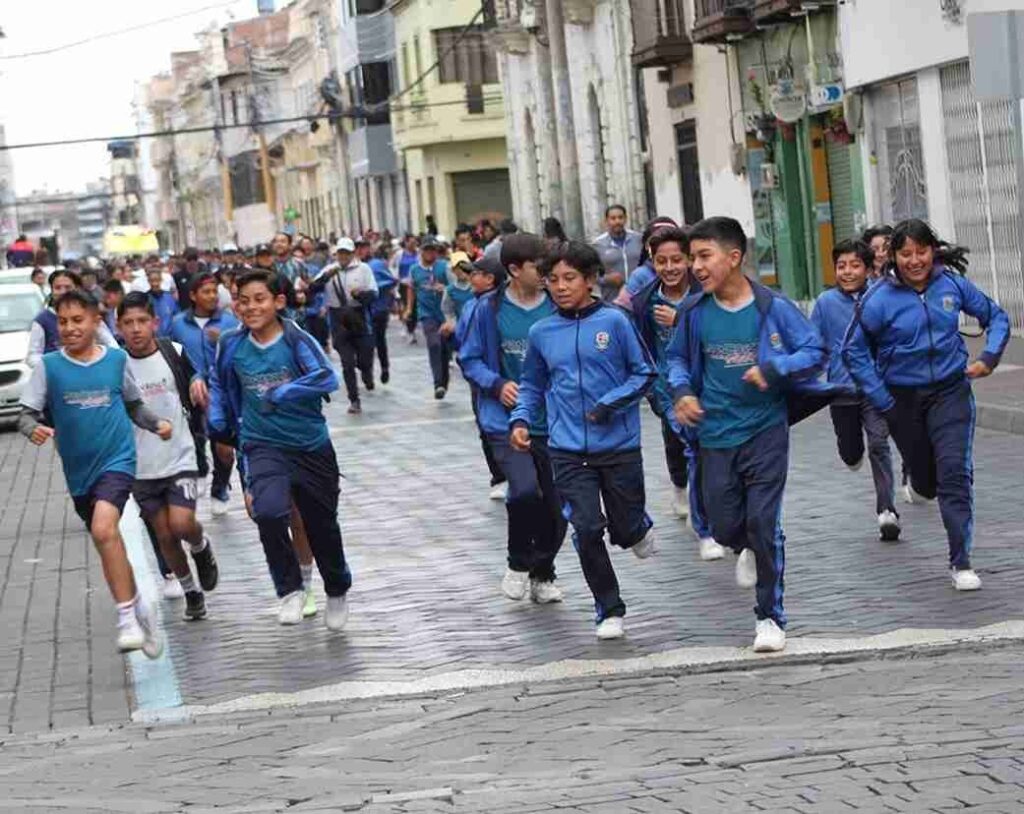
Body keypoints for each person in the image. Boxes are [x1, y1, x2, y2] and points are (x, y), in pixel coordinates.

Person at [668, 216, 838, 654]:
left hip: (765, 430)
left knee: (764, 522)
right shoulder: (692, 312)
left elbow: (815, 350)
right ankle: (742, 544)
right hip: (714, 434)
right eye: (693, 258)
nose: (696, 266)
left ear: (735, 257)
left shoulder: (772, 307)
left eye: (704, 256)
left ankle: (769, 618)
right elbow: (675, 362)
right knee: (722, 527)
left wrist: (773, 367)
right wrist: (683, 392)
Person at [842, 218, 1010, 592]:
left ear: (933, 251)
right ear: (893, 257)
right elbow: (852, 350)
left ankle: (961, 561)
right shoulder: (879, 298)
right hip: (901, 399)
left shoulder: (951, 284)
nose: (915, 260)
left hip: (951, 392)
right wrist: (881, 397)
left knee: (955, 474)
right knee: (929, 482)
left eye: (921, 252)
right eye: (906, 254)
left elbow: (996, 317)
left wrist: (990, 357)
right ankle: (919, 483)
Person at [510, 241, 657, 640]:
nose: (559, 286)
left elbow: (644, 373)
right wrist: (521, 418)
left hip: (620, 447)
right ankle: (609, 608)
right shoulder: (541, 332)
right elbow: (532, 384)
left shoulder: (616, 322)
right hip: (567, 450)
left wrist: (609, 403)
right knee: (587, 528)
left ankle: (638, 526)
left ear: (590, 280)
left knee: (624, 530)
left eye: (569, 278)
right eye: (552, 280)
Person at [18, 290, 171, 657]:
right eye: (63, 321)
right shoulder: (49, 367)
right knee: (107, 543)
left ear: (95, 322)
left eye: (77, 320)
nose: (70, 328)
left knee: (105, 528)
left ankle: (125, 620)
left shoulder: (116, 361)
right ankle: (139, 610)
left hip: (117, 460)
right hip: (79, 471)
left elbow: (134, 405)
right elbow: (26, 414)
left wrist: (157, 423)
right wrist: (31, 429)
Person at [207, 269, 352, 629]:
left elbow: (325, 377)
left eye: (260, 299)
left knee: (322, 526)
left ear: (278, 302)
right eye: (243, 300)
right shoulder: (231, 343)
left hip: (310, 445)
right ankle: (289, 591)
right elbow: (221, 386)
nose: (251, 307)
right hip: (262, 444)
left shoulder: (296, 338)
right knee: (269, 513)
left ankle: (336, 589)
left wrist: (282, 393)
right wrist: (217, 420)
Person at [460, 234, 567, 603]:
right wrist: (497, 383)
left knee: (557, 510)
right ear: (514, 270)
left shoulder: (557, 305)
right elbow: (469, 359)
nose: (547, 275)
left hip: (554, 422)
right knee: (524, 491)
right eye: (540, 268)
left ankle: (543, 573)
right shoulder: (487, 310)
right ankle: (518, 562)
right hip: (505, 422)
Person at [118, 292, 220, 621]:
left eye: (142, 322)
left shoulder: (172, 352)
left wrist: (197, 382)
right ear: (118, 327)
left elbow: (193, 375)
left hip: (180, 455)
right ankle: (191, 591)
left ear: (155, 323)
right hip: (141, 466)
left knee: (181, 524)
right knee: (163, 534)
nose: (135, 329)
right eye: (128, 323)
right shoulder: (116, 364)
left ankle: (201, 545)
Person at [627, 227, 725, 561]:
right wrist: (655, 391)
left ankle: (722, 517)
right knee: (694, 448)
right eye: (661, 261)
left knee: (719, 455)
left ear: (689, 260)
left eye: (677, 260)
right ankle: (705, 530)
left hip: (713, 385)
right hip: (670, 392)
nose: (669, 268)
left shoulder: (709, 293)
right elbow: (641, 351)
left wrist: (680, 319)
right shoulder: (644, 303)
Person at [811, 240, 900, 542]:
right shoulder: (824, 303)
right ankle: (852, 455)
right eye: (841, 266)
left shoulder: (881, 297)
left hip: (875, 388)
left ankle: (887, 510)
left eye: (854, 265)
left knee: (880, 444)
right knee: (851, 453)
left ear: (868, 268)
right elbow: (813, 345)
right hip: (840, 390)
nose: (847, 272)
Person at [170, 271, 240, 516]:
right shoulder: (178, 323)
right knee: (194, 437)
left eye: (214, 291)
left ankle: (220, 486)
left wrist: (223, 339)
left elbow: (241, 351)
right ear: (193, 295)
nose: (212, 296)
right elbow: (172, 354)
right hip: (188, 390)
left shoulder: (229, 322)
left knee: (224, 447)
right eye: (206, 292)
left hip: (221, 392)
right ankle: (200, 467)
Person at [454, 255, 508, 500]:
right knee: (485, 427)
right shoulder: (470, 305)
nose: (471, 277)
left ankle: (510, 474)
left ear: (490, 278)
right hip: (478, 377)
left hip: (497, 376)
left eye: (476, 273)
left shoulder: (498, 305)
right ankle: (498, 475)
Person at [310, 238, 378, 414]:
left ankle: (366, 372)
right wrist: (326, 277)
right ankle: (354, 399)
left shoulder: (363, 269)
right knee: (347, 362)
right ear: (336, 254)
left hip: (358, 315)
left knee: (365, 356)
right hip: (337, 318)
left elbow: (373, 294)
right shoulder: (329, 270)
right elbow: (312, 289)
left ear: (353, 253)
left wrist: (360, 295)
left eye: (346, 253)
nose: (343, 256)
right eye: (340, 253)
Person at [27, 269, 119, 367]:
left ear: (77, 288)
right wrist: (53, 366)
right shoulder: (42, 320)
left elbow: (111, 344)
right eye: (58, 288)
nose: (63, 292)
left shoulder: (90, 313)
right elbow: (33, 356)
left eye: (68, 287)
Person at [405, 237, 452, 399]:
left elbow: (454, 286)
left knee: (445, 349)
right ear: (421, 251)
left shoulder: (444, 267)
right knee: (434, 344)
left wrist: (444, 288)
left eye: (433, 250)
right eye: (427, 250)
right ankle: (437, 383)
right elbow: (411, 289)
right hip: (427, 314)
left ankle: (444, 381)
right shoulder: (414, 270)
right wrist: (409, 308)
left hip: (445, 314)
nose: (430, 253)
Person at [592, 204, 643, 301]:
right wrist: (607, 279)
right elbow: (591, 275)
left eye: (620, 217)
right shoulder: (598, 245)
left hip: (639, 296)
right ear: (606, 221)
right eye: (613, 218)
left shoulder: (638, 239)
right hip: (613, 299)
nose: (617, 221)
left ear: (626, 219)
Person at [367, 244, 398, 384]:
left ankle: (384, 367)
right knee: (367, 342)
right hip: (360, 312)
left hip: (378, 309)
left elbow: (391, 281)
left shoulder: (376, 265)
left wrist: (373, 288)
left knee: (378, 339)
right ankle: (367, 371)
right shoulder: (350, 267)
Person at [392, 235, 420, 344]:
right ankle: (410, 330)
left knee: (416, 308)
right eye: (411, 243)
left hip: (416, 284)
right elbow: (393, 266)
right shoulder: (399, 255)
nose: (413, 245)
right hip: (403, 284)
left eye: (415, 243)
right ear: (406, 243)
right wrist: (395, 278)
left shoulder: (419, 254)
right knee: (408, 307)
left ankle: (411, 327)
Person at [101, 279, 125, 345]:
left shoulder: (128, 310)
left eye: (108, 297)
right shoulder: (106, 312)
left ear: (119, 294)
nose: (106, 301)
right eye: (105, 298)